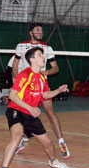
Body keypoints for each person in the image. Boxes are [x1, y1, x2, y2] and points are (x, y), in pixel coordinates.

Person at [0, 47, 70, 168]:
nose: (43, 57)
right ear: (32, 59)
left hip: (31, 114)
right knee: (17, 136)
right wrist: (29, 107)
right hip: (16, 110)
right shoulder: (24, 75)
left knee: (47, 142)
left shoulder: (41, 77)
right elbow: (12, 96)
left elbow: (45, 95)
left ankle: (53, 162)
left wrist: (58, 90)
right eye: (40, 55)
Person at [12, 23, 69, 158]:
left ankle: (61, 141)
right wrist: (16, 81)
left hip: (41, 85)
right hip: (25, 87)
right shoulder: (21, 46)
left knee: (50, 112)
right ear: (31, 32)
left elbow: (55, 68)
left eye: (41, 31)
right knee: (23, 113)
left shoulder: (47, 48)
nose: (40, 33)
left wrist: (44, 73)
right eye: (37, 30)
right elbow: (15, 65)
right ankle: (20, 140)